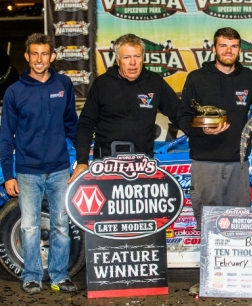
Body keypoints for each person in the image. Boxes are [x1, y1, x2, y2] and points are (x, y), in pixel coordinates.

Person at [0, 33, 78, 294]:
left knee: (61, 226)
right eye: (34, 54)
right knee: (31, 227)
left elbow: (72, 125)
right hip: (26, 171)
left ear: (52, 56)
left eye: (44, 53)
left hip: (59, 170)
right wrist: (7, 175)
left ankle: (59, 276)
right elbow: (6, 136)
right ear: (27, 56)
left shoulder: (64, 85)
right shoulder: (14, 91)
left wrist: (80, 159)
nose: (39, 59)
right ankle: (31, 276)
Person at [176, 27, 252, 230]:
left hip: (239, 162)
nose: (229, 51)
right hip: (205, 162)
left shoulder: (248, 78)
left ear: (239, 49)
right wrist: (202, 131)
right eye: (223, 46)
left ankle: (237, 262)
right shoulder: (197, 78)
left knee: (240, 222)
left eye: (234, 46)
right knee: (209, 223)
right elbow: (182, 116)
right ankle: (209, 262)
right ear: (214, 48)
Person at [69, 33, 181, 182]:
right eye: (127, 57)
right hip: (106, 164)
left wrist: (203, 131)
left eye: (137, 57)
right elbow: (86, 124)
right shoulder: (102, 85)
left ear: (143, 58)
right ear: (117, 60)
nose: (133, 63)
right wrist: (82, 161)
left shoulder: (154, 82)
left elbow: (180, 114)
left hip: (143, 165)